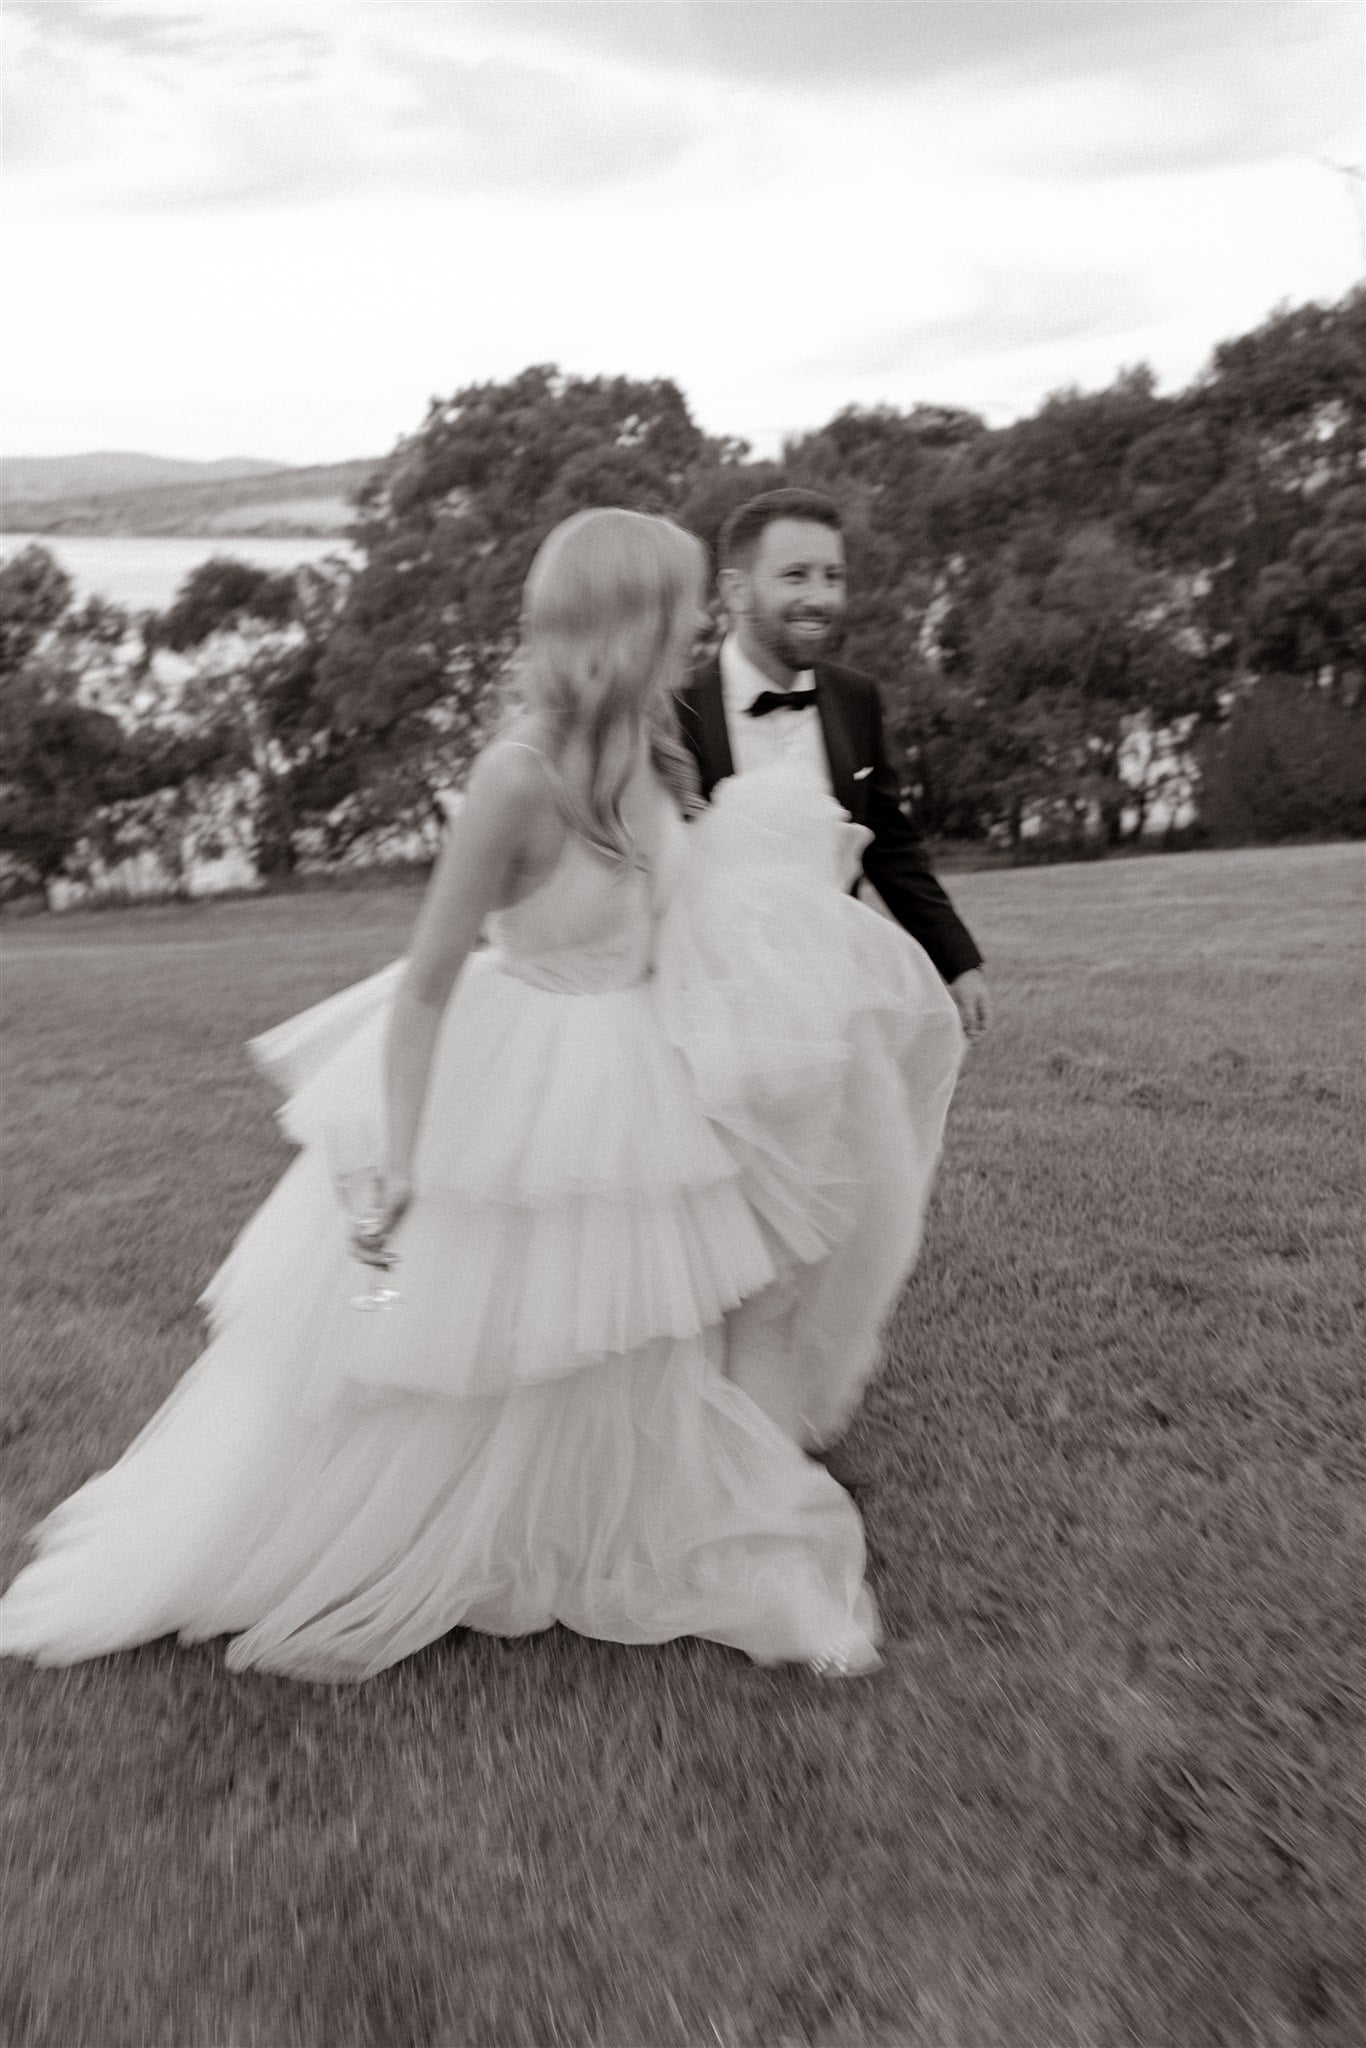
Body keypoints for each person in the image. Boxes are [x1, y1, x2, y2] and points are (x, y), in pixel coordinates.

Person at [0, 507, 961, 1686]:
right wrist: (403, 1154)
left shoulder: (649, 749)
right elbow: (425, 982)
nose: (693, 631)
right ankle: (414, 1528)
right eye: (676, 609)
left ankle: (631, 1515)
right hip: (523, 1069)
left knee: (640, 1325)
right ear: (626, 623)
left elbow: (677, 924)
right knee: (485, 1334)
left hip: (638, 1067)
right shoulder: (515, 773)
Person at [676, 487, 990, 1039]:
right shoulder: (676, 709)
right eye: (795, 576)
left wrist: (958, 961)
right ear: (735, 589)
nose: (820, 598)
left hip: (832, 994)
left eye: (833, 576)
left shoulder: (855, 698)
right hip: (709, 999)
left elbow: (889, 843)